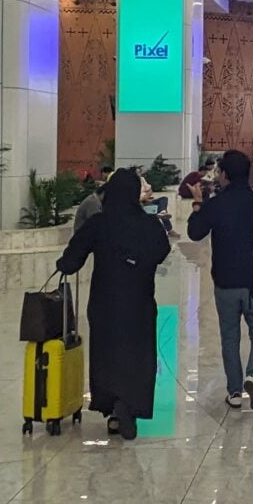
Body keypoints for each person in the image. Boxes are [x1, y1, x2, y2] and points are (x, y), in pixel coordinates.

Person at [56, 166, 172, 439]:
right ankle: (129, 406)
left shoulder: (99, 223)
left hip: (105, 303)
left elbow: (71, 261)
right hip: (140, 303)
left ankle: (113, 409)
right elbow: (162, 251)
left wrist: (63, 264)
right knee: (138, 355)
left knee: (107, 355)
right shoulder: (149, 224)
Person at [187, 147, 253, 413]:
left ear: (224, 175)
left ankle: (235, 392)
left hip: (225, 281)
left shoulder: (216, 204)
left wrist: (197, 204)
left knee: (230, 337)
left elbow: (194, 232)